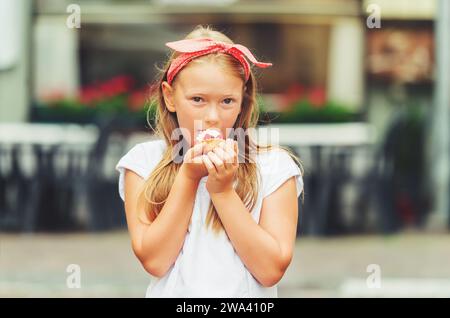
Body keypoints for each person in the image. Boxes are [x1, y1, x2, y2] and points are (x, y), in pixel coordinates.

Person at [115, 25, 304, 297]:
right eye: (198, 100)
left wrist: (223, 192)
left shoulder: (274, 166)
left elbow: (271, 269)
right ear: (170, 97)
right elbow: (154, 261)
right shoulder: (143, 163)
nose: (213, 116)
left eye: (227, 101)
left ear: (243, 101)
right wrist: (189, 178)